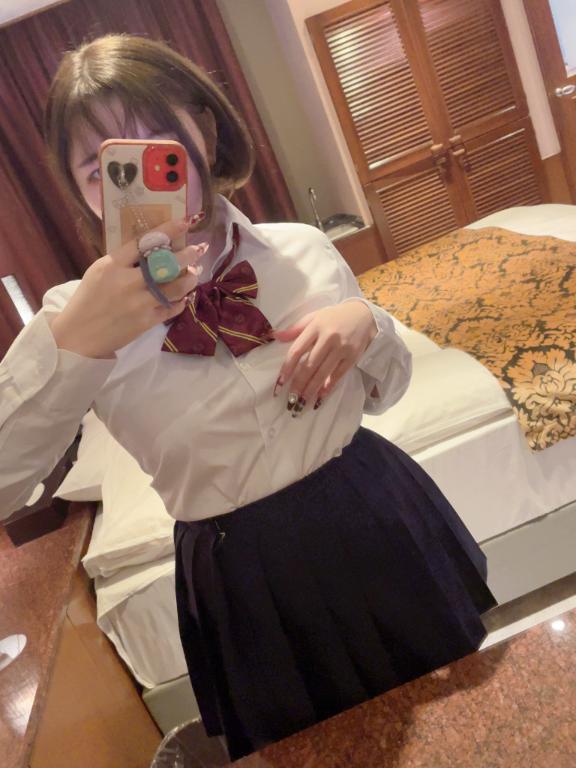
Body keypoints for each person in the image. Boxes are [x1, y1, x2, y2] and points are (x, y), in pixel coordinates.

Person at [0, 34, 497, 761]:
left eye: (157, 138)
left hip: (372, 513)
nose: (137, 174)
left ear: (204, 129)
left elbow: (389, 391)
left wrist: (368, 322)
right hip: (245, 579)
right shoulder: (72, 317)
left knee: (462, 724)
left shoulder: (303, 249)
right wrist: (73, 343)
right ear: (78, 190)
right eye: (102, 167)